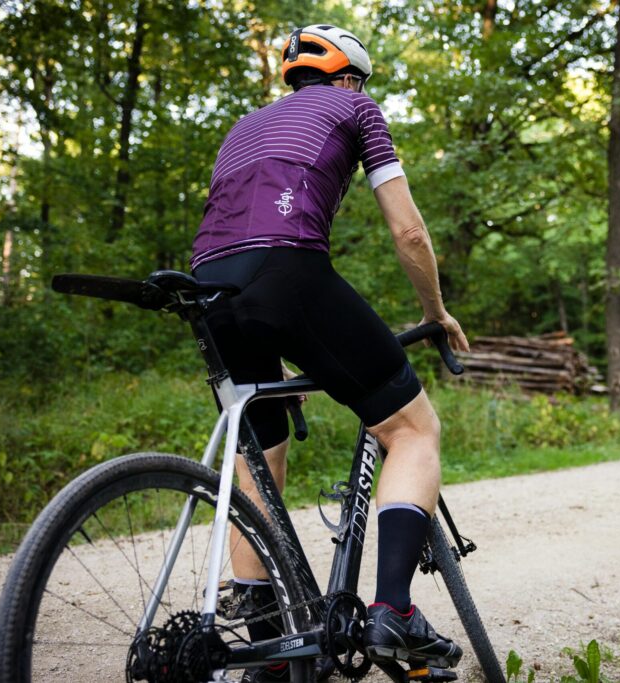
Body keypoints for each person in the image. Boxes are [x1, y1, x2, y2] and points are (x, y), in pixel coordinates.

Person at [190, 23, 470, 681]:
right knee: (413, 429)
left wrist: (276, 339)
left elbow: (238, 233)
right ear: (348, 77)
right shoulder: (355, 107)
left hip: (207, 288)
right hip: (288, 272)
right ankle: (393, 612)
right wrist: (435, 310)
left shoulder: (243, 127)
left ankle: (268, 654)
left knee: (258, 461)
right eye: (359, 82)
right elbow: (408, 230)